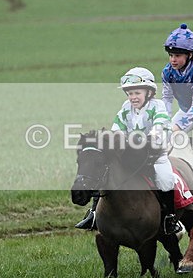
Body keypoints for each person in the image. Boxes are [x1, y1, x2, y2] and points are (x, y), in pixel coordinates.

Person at [75, 67, 183, 236]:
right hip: (131, 155)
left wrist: (140, 140)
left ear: (149, 92)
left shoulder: (158, 106)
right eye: (129, 93)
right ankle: (93, 214)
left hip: (154, 155)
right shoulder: (126, 108)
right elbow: (116, 129)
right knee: (105, 173)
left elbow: (159, 129)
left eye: (137, 93)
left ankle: (169, 218)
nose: (133, 97)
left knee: (166, 179)